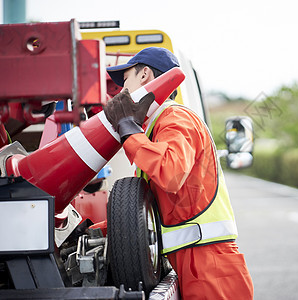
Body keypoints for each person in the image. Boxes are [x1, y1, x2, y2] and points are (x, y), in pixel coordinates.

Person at [104, 47, 254, 299]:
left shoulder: (175, 118)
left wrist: (127, 129)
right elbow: (149, 210)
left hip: (209, 266)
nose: (120, 91)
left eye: (125, 80)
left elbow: (170, 173)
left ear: (144, 75)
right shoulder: (157, 129)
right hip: (202, 264)